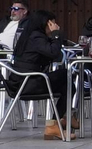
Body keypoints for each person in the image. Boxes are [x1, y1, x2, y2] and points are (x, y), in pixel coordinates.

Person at [10, 9, 67, 139]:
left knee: (67, 83)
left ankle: (63, 119)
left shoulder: (29, 35)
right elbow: (53, 53)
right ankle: (58, 121)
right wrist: (56, 35)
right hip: (27, 84)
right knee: (66, 76)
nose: (55, 25)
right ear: (45, 24)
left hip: (24, 81)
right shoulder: (36, 37)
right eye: (52, 23)